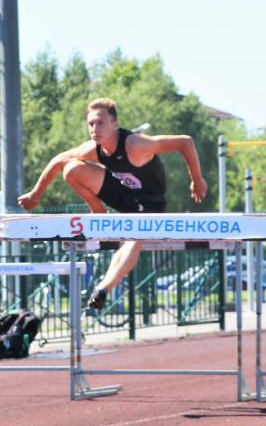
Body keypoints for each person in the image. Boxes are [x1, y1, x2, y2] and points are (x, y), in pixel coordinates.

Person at [18, 97, 207, 310]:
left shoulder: (135, 144)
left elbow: (184, 142)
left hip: (150, 204)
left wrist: (197, 179)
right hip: (123, 197)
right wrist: (35, 195)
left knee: (135, 237)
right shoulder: (93, 149)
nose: (94, 129)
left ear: (115, 124)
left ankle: (103, 289)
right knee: (71, 169)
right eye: (91, 124)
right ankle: (99, 213)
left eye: (100, 123)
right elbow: (58, 160)